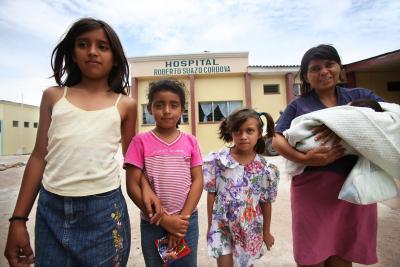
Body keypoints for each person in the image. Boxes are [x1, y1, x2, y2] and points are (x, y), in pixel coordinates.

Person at [4, 18, 136, 267]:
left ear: (115, 57)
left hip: (105, 212)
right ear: (73, 54)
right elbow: (38, 156)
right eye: (83, 44)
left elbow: (133, 163)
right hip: (51, 209)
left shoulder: (125, 104)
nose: (92, 51)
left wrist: (150, 195)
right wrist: (18, 220)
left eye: (103, 46)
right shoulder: (54, 97)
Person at [272, 44, 384, 267]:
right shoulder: (298, 105)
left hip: (354, 188)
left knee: (342, 251)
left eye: (329, 65)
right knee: (310, 254)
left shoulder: (360, 96)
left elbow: (388, 118)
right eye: (315, 68)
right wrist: (305, 159)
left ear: (339, 67)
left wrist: (343, 123)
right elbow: (277, 139)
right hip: (313, 190)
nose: (324, 72)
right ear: (306, 76)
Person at [124, 79, 203, 267]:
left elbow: (198, 180)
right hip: (154, 224)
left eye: (173, 105)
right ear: (150, 108)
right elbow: (132, 185)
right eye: (159, 105)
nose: (167, 110)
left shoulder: (191, 141)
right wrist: (163, 220)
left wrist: (181, 222)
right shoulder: (140, 142)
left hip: (186, 223)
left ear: (182, 109)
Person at [204, 108, 280, 267]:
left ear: (259, 133)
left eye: (249, 131)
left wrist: (266, 232)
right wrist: (211, 225)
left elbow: (266, 202)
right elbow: (211, 194)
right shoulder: (218, 161)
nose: (243, 136)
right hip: (221, 226)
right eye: (237, 131)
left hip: (249, 229)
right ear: (231, 132)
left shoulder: (264, 169)